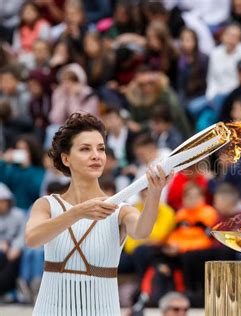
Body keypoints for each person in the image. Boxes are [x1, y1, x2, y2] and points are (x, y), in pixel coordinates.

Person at [25, 112, 171, 315]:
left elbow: (142, 230)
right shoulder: (47, 205)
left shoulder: (120, 210)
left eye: (100, 149)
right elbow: (32, 238)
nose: (96, 155)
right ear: (66, 158)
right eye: (85, 149)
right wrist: (77, 212)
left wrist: (155, 193)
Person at [0, 182, 25, 296]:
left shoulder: (19, 214)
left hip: (14, 250)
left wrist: (15, 247)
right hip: (2, 250)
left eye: (3, 201)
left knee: (12, 262)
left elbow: (23, 234)